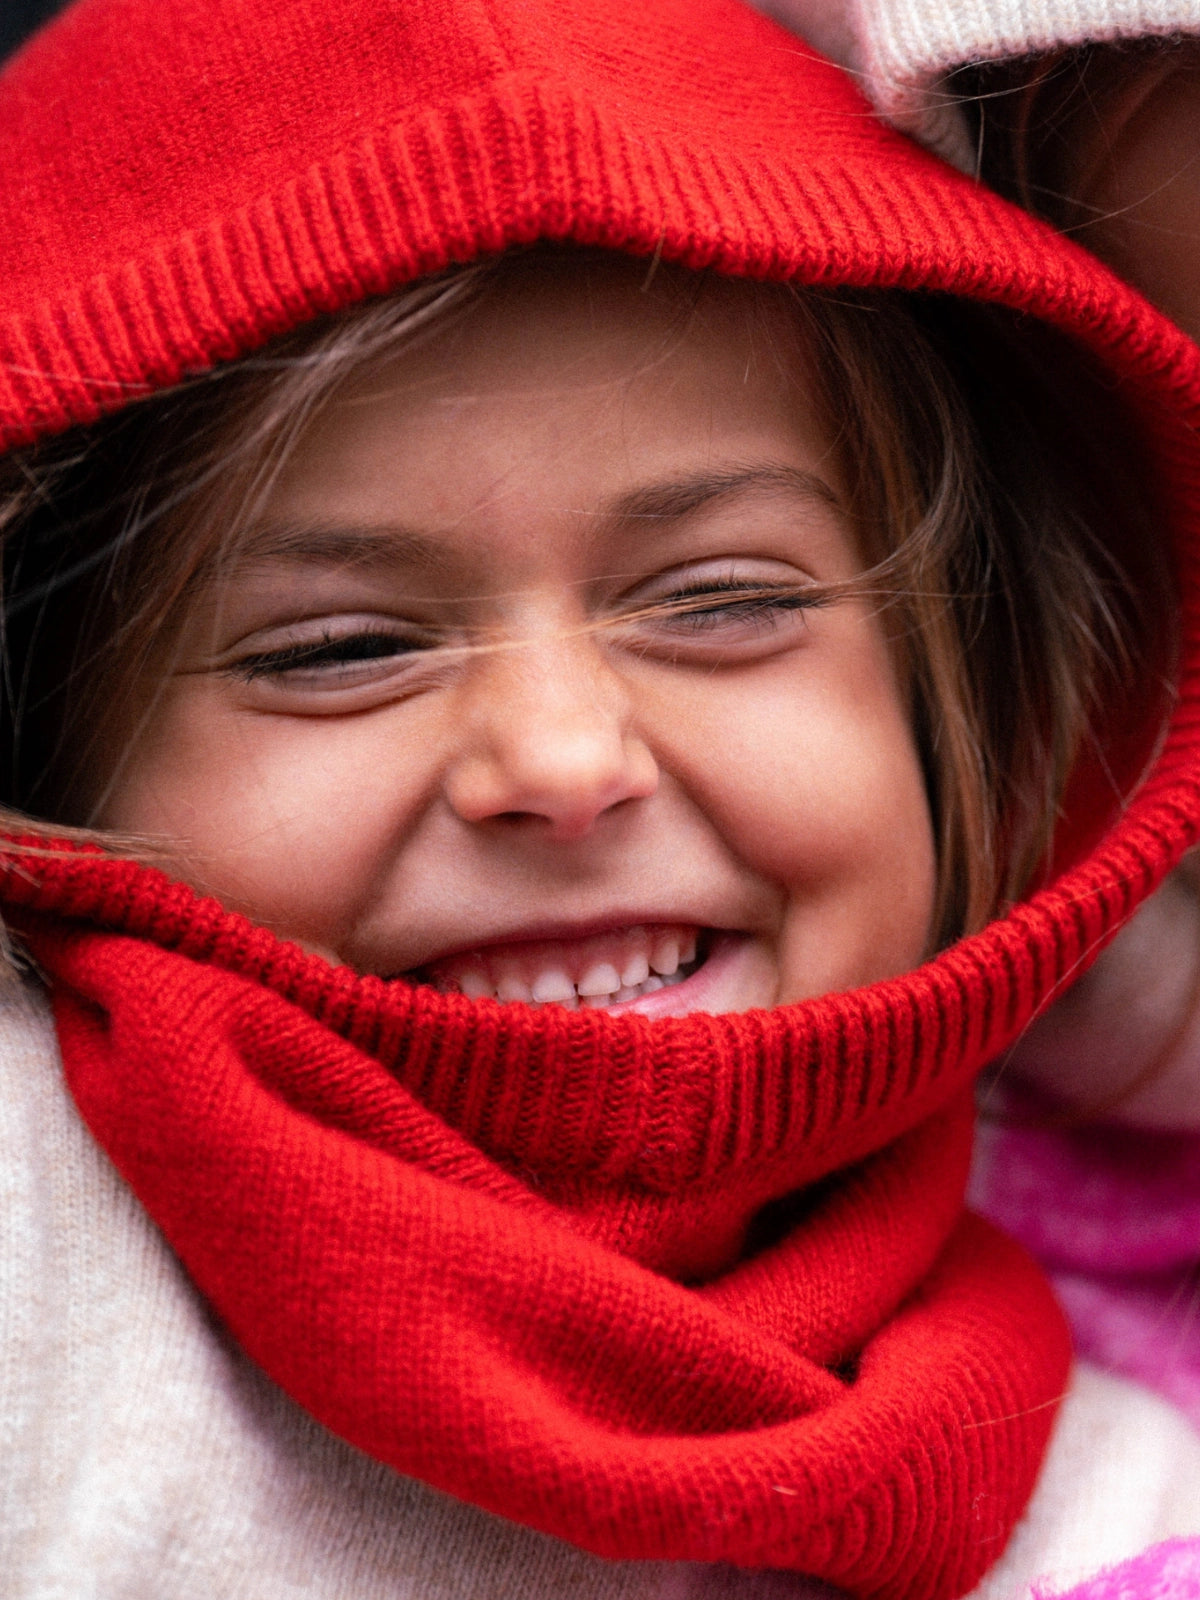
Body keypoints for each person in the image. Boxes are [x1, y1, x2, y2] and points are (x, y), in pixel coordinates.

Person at [1, 0, 1199, 1595]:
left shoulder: (1120, 1507)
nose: (564, 764)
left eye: (721, 602)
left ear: (958, 689)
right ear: (51, 746)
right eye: (342, 647)